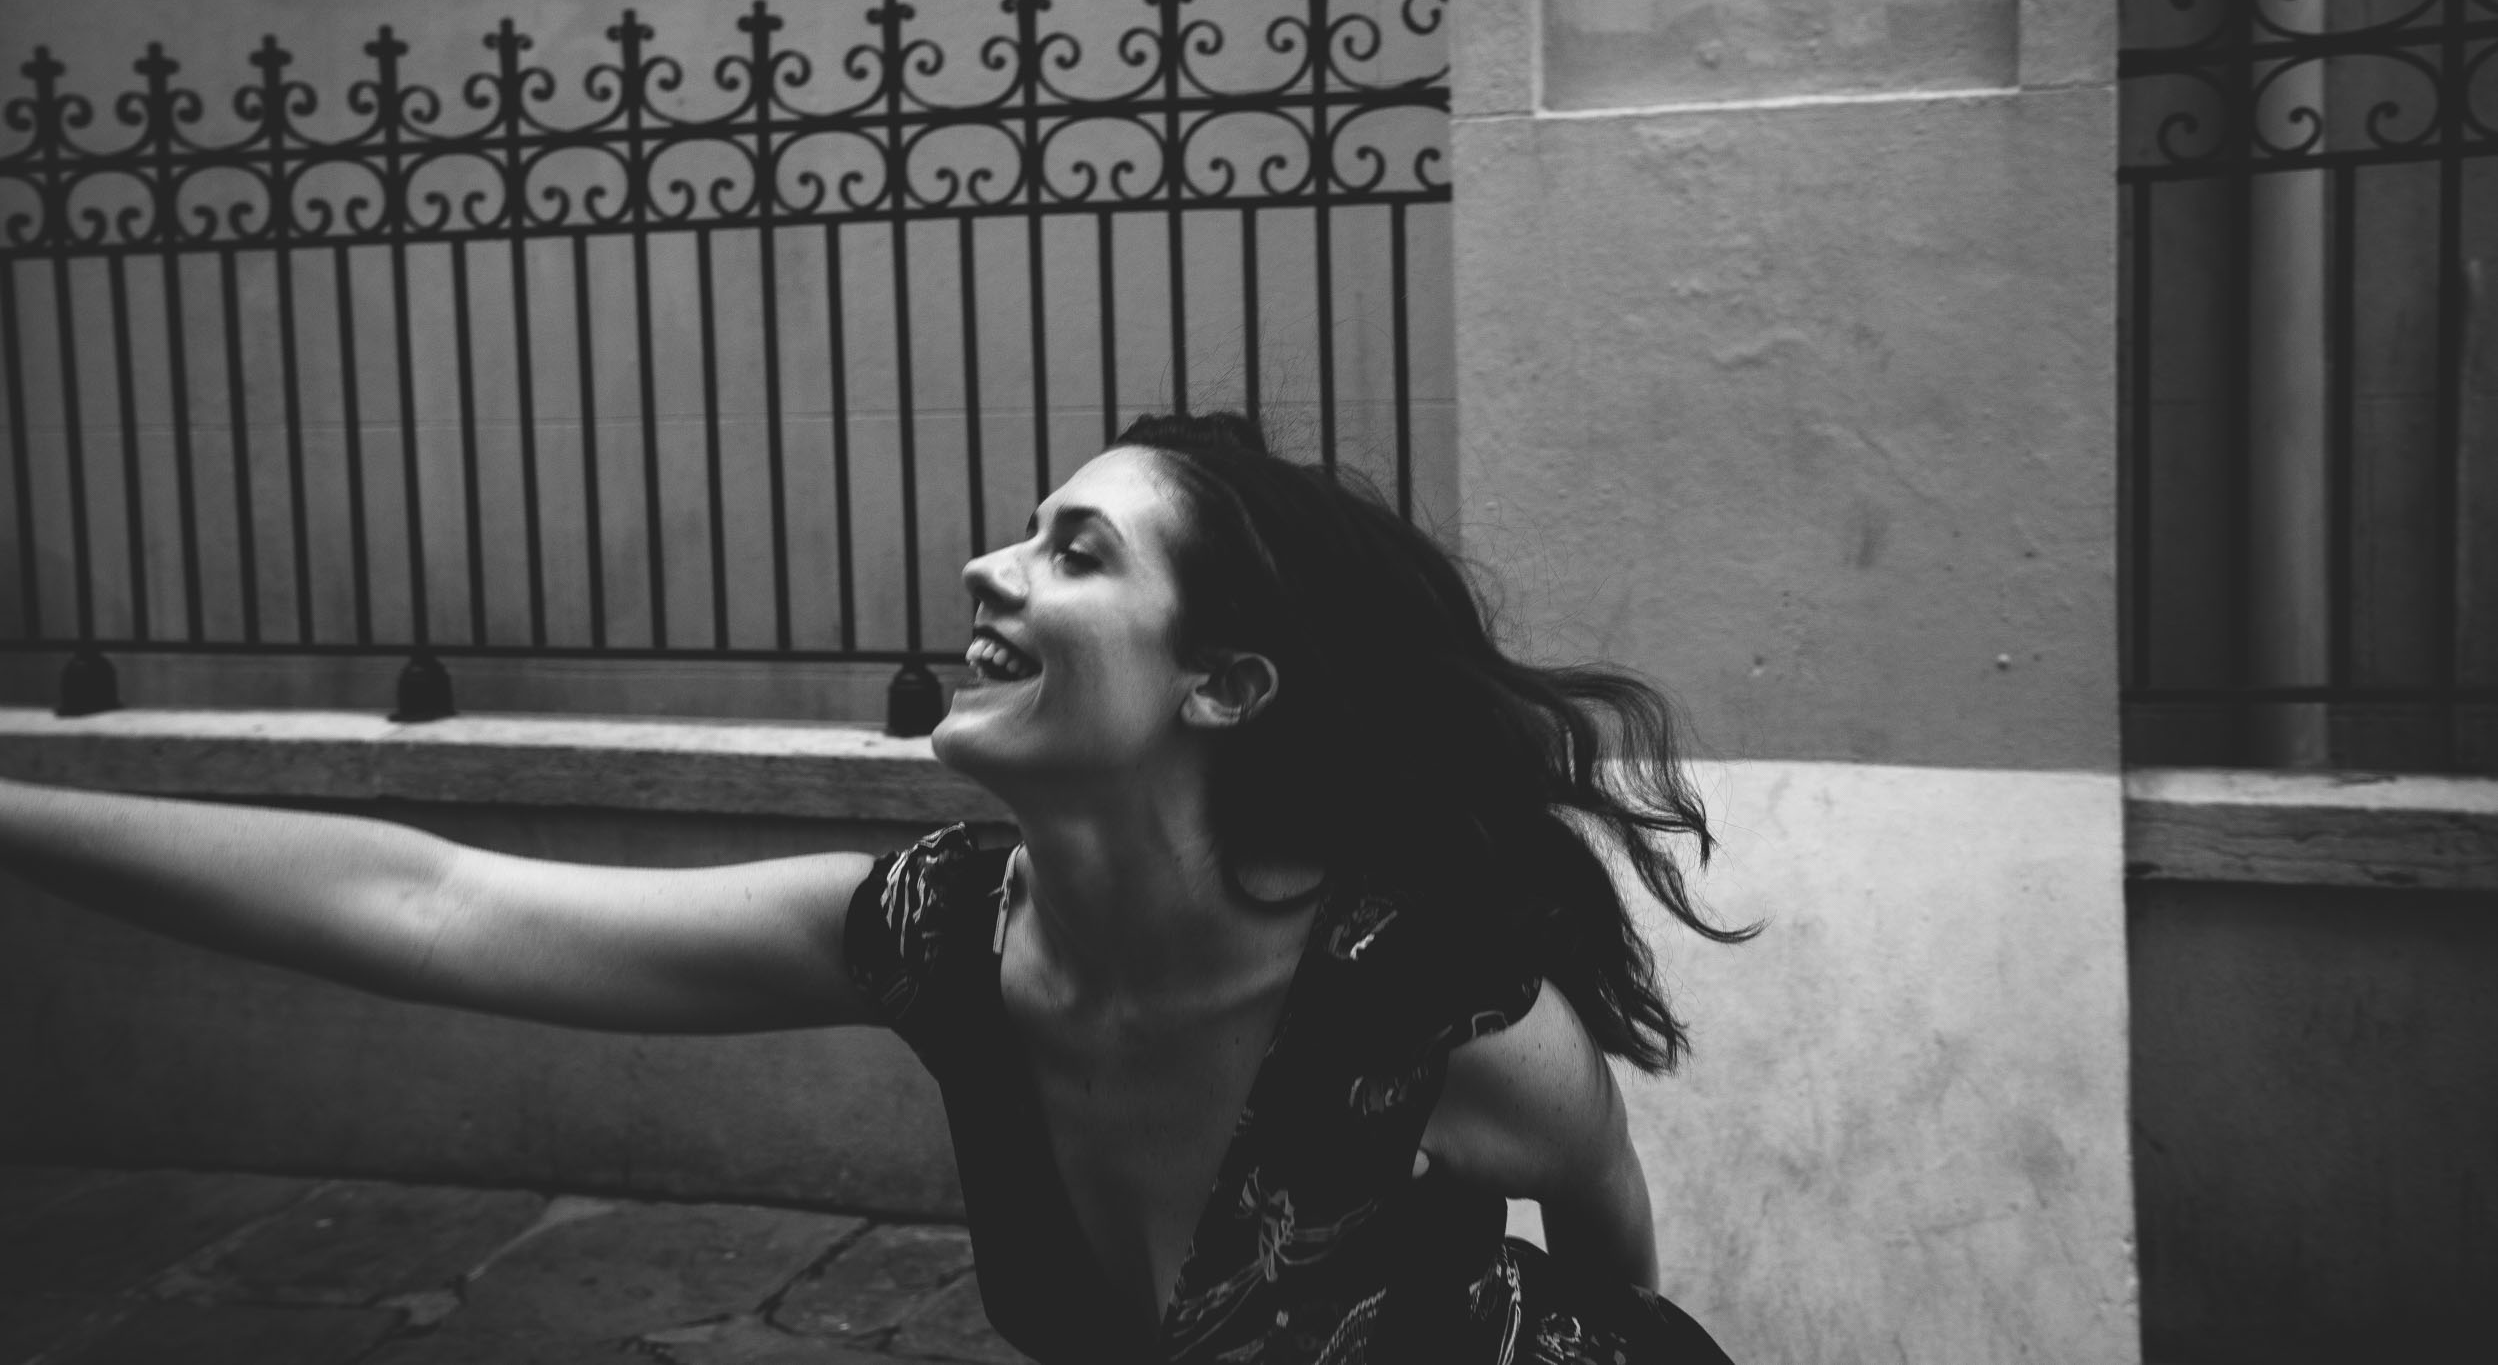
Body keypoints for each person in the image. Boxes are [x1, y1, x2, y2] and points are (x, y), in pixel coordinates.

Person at [0, 411, 1746, 1363]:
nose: (987, 563)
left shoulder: (1424, 1005)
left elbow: (1606, 1263)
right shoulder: (936, 933)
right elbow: (437, 899)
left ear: (1223, 685)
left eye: (1075, 549)